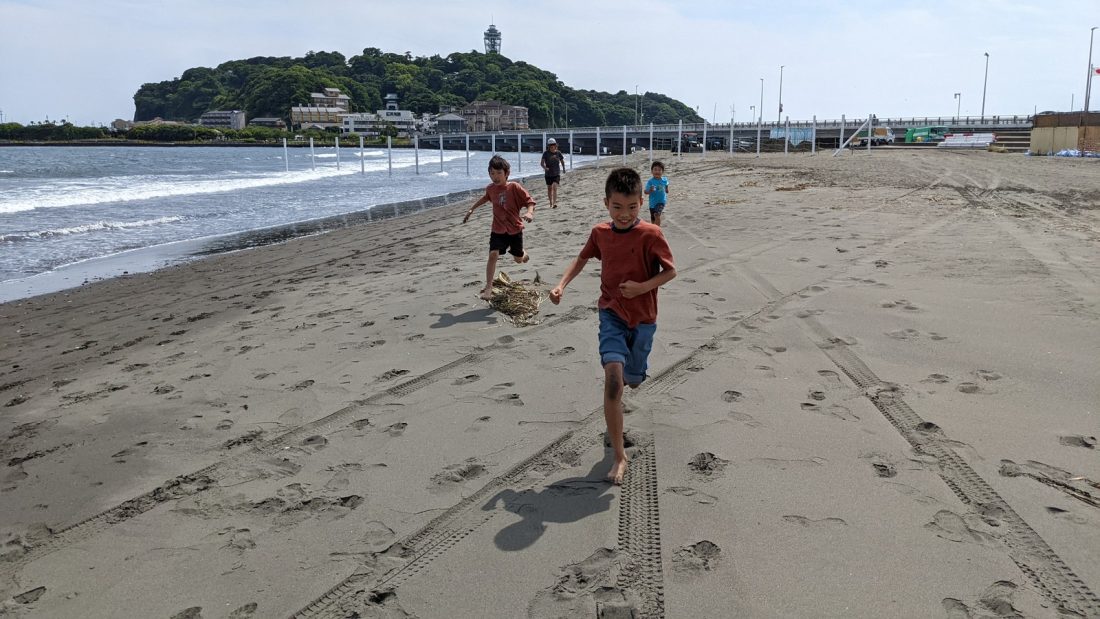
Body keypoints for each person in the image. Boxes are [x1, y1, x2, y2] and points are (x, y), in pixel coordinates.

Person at [548, 167, 676, 485]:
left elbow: (670, 272)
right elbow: (581, 259)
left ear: (641, 203)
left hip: (643, 319)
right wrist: (561, 285)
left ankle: (633, 378)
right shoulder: (600, 233)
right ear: (606, 203)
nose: (624, 214)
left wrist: (641, 287)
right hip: (611, 315)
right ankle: (620, 456)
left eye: (631, 207)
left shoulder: (651, 234)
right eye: (617, 207)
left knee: (633, 380)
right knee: (614, 381)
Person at [463, 155, 536, 300]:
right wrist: (472, 209)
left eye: (499, 173)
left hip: (514, 229)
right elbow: (485, 198)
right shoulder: (491, 189)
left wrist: (529, 212)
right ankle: (488, 287)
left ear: (507, 173)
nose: (495, 177)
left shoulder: (514, 187)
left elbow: (530, 201)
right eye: (492, 173)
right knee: (493, 255)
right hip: (497, 229)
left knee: (518, 260)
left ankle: (522, 253)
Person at [540, 138, 566, 209]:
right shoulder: (545, 153)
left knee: (554, 187)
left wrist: (564, 169)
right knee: (549, 189)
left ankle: (554, 203)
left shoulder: (558, 153)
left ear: (555, 145)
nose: (552, 146)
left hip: (556, 173)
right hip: (548, 174)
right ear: (548, 146)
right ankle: (550, 203)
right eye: (550, 145)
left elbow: (562, 161)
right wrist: (545, 168)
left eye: (553, 145)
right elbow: (541, 163)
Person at [643, 160, 669, 226]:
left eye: (659, 170)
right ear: (652, 171)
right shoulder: (650, 182)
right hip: (652, 203)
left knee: (657, 214)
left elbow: (666, 184)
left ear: (662, 171)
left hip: (661, 201)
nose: (657, 171)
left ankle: (658, 229)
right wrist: (650, 190)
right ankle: (654, 228)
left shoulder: (664, 179)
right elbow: (645, 192)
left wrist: (666, 189)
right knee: (653, 218)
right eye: (655, 169)